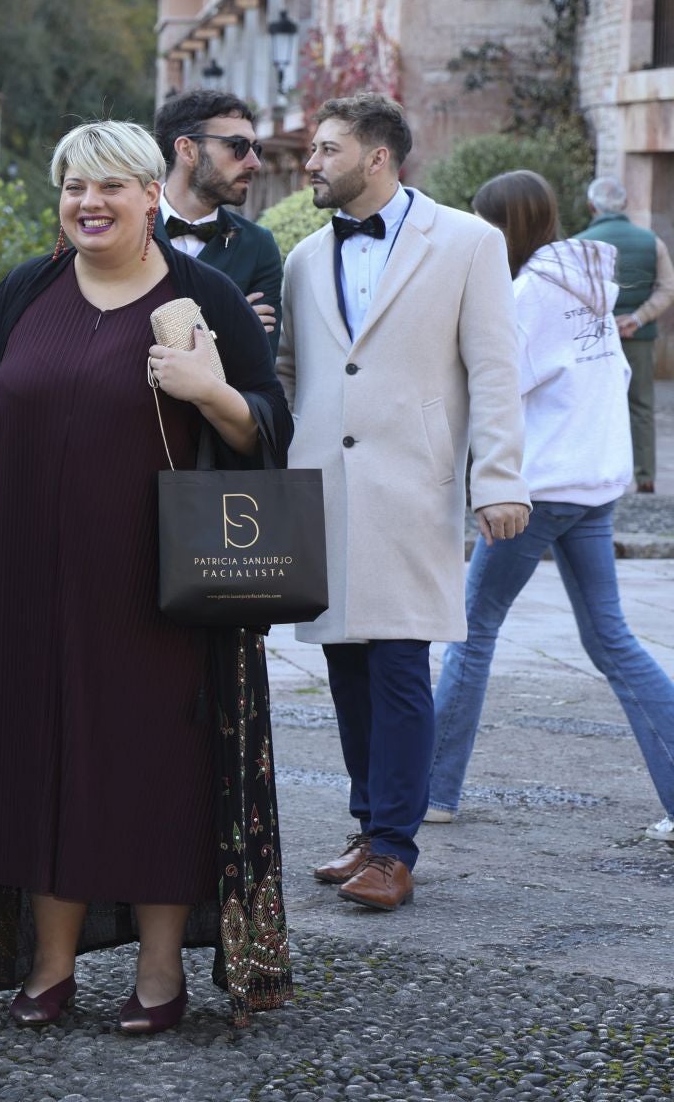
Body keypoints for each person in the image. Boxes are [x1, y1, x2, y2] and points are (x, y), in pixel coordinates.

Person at [0, 119, 294, 1034]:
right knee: (39, 763)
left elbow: (272, 426)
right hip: (19, 582)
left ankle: (160, 975)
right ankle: (49, 968)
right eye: (73, 187)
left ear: (150, 196)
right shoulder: (26, 291)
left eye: (109, 187)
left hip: (154, 590)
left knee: (152, 771)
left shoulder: (204, 296)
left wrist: (209, 392)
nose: (88, 203)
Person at [277, 94, 528, 912]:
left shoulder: (468, 242)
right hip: (322, 486)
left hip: (413, 485)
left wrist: (497, 481)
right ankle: (367, 826)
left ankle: (395, 849)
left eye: (325, 149)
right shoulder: (304, 258)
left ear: (377, 157)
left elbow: (494, 370)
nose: (310, 163)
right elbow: (290, 373)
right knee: (345, 664)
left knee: (399, 666)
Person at [427, 171, 674, 845]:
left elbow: (494, 382)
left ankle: (435, 793)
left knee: (472, 632)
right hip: (592, 482)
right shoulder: (589, 282)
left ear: (501, 228)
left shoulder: (528, 295)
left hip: (538, 488)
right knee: (610, 639)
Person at [152, 90, 282, 345]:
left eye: (255, 148)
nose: (254, 162)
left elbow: (258, 370)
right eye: (238, 146)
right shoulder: (128, 230)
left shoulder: (258, 246)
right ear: (187, 150)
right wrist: (227, 326)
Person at [578, 177, 674, 494]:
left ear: (592, 206)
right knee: (642, 407)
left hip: (593, 339)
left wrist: (603, 319)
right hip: (640, 337)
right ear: (626, 205)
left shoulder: (581, 242)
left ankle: (594, 473)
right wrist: (637, 317)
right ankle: (645, 476)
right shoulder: (651, 241)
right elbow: (667, 288)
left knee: (593, 404)